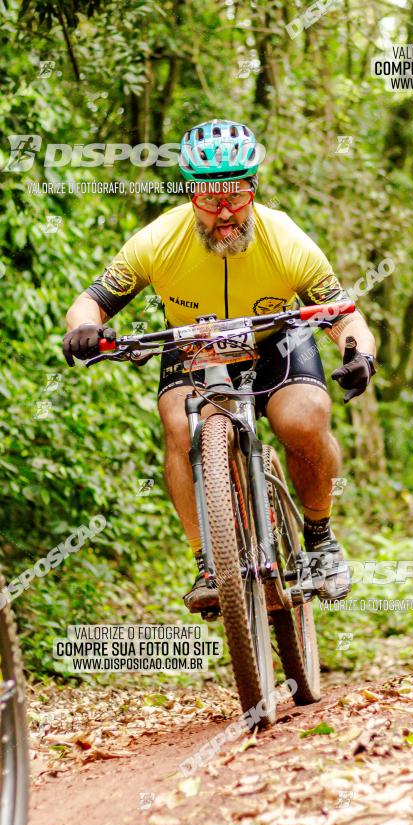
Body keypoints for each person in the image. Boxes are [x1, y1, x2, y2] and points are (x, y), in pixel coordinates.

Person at [62, 118, 376, 614]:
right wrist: (82, 328)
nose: (224, 212)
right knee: (179, 428)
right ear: (192, 196)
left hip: (276, 339)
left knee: (305, 418)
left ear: (254, 190)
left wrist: (359, 353)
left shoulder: (287, 240)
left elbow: (345, 316)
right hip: (193, 346)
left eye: (236, 196)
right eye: (210, 199)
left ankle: (319, 540)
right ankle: (209, 561)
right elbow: (91, 301)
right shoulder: (159, 239)